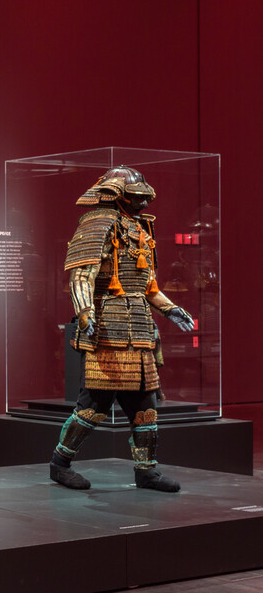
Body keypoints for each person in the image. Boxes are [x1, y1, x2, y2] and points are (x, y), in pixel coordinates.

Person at [50, 166, 195, 493]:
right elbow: (81, 277)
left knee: (146, 407)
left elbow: (147, 286)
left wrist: (171, 310)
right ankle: (59, 463)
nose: (142, 205)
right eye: (135, 198)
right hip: (108, 326)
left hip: (141, 329)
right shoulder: (97, 223)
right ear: (116, 194)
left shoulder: (140, 227)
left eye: (143, 199)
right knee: (94, 406)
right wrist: (85, 314)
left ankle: (146, 471)